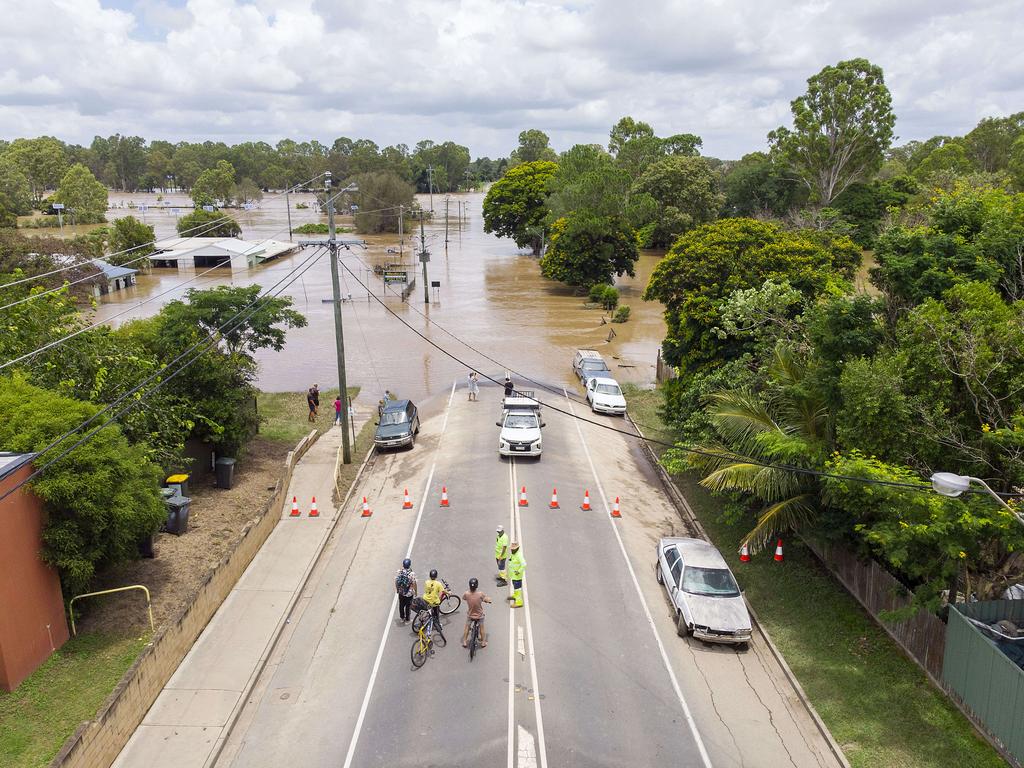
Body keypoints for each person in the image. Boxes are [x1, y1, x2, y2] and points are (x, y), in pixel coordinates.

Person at [462, 578, 492, 648]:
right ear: (477, 586)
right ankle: (483, 642)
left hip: (470, 615)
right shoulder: (480, 594)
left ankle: (464, 641)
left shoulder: (466, 594)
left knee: (467, 626)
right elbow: (486, 599)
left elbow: (464, 598)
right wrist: (489, 600)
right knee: (482, 627)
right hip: (479, 616)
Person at [395, 558, 417, 623]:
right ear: (409, 565)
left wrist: (397, 590)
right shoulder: (411, 574)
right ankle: (407, 619)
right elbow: (414, 583)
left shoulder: (399, 572)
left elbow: (396, 581)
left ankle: (402, 618)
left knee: (401, 605)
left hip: (401, 592)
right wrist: (415, 592)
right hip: (409, 593)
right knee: (408, 606)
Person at [507, 541, 526, 608]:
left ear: (517, 548)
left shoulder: (519, 555)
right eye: (511, 548)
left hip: (517, 576)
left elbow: (524, 564)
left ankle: (519, 602)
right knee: (515, 587)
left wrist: (518, 571)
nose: (511, 549)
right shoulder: (513, 554)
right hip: (513, 576)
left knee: (517, 589)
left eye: (513, 549)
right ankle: (515, 596)